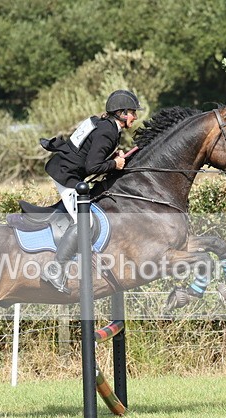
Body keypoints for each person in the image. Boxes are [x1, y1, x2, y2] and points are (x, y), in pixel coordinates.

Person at [38, 89, 143, 293]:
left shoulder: (105, 125)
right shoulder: (108, 131)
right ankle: (54, 270)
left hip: (67, 169)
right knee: (86, 222)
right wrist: (114, 164)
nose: (135, 117)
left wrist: (113, 157)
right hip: (66, 175)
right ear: (121, 113)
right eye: (132, 112)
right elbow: (92, 166)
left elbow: (88, 151)